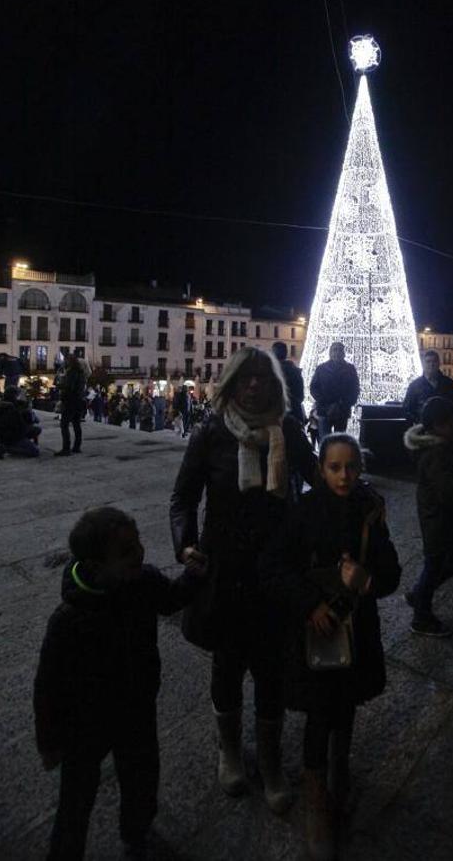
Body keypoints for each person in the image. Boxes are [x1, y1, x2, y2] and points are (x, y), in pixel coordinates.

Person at [170, 347, 316, 814]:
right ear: (231, 383)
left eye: (263, 377)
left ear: (276, 384)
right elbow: (183, 498)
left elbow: (317, 479)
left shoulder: (288, 430)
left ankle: (270, 759)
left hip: (277, 569)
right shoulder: (211, 432)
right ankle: (230, 751)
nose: (254, 384)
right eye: (246, 377)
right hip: (225, 567)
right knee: (228, 663)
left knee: (272, 667)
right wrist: (185, 543)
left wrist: (354, 491)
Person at [33, 506, 203, 861]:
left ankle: (136, 833)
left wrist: (193, 576)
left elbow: (170, 599)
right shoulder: (70, 618)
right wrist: (49, 741)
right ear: (96, 567)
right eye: (126, 551)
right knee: (76, 798)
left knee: (141, 777)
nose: (140, 551)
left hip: (135, 707)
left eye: (138, 541)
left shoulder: (143, 582)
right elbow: (47, 685)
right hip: (85, 725)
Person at [260, 434, 400, 860]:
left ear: (359, 468)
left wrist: (367, 581)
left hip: (356, 629)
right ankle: (316, 795)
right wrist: (309, 605)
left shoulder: (370, 512)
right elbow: (275, 567)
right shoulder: (303, 513)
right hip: (316, 629)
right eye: (335, 467)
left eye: (351, 467)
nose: (343, 475)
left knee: (348, 703)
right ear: (320, 470)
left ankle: (341, 772)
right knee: (320, 712)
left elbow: (391, 572)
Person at [403, 397, 453, 637]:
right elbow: (447, 492)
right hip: (439, 521)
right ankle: (421, 615)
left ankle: (419, 594)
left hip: (436, 519)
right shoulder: (438, 453)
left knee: (446, 563)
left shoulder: (434, 448)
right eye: (452, 421)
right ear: (440, 425)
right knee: (440, 564)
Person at [309, 343, 360, 441]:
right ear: (330, 353)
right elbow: (314, 387)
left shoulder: (350, 369)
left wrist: (344, 403)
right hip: (324, 410)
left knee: (339, 441)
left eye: (340, 350)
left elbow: (355, 389)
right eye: (334, 350)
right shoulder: (321, 368)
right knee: (324, 440)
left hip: (342, 410)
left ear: (344, 353)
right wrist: (325, 402)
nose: (337, 353)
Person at [402, 350, 453, 424]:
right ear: (423, 364)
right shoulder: (414, 386)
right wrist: (419, 423)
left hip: (444, 430)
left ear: (439, 363)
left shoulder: (449, 384)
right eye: (428, 361)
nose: (431, 364)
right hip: (422, 430)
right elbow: (407, 409)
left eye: (434, 361)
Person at [0, 386, 40, 458]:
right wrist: (28, 410)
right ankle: (7, 449)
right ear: (15, 396)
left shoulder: (2, 404)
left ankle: (9, 446)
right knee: (35, 452)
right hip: (14, 436)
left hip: (2, 435)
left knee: (36, 429)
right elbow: (33, 420)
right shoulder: (13, 407)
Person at [56, 355, 87, 457]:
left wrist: (59, 385)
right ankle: (77, 447)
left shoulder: (72, 373)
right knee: (76, 424)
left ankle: (66, 449)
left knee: (64, 424)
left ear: (70, 362)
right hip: (79, 401)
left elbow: (69, 387)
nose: (64, 362)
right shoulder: (81, 373)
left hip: (70, 401)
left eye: (66, 361)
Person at [271, 341, 305, 423]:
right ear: (286, 353)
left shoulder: (269, 371)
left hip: (274, 414)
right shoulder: (295, 371)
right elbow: (300, 395)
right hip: (293, 411)